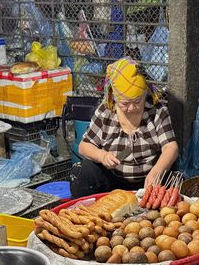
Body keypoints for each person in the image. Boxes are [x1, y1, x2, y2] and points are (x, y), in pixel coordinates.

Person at [70, 58, 179, 198]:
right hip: (113, 180)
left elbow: (171, 147)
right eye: (125, 103)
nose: (132, 108)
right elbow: (84, 146)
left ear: (145, 93)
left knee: (175, 178)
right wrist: (102, 156)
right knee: (83, 172)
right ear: (114, 98)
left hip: (149, 181)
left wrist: (156, 172)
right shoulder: (105, 112)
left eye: (137, 101)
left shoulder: (157, 111)